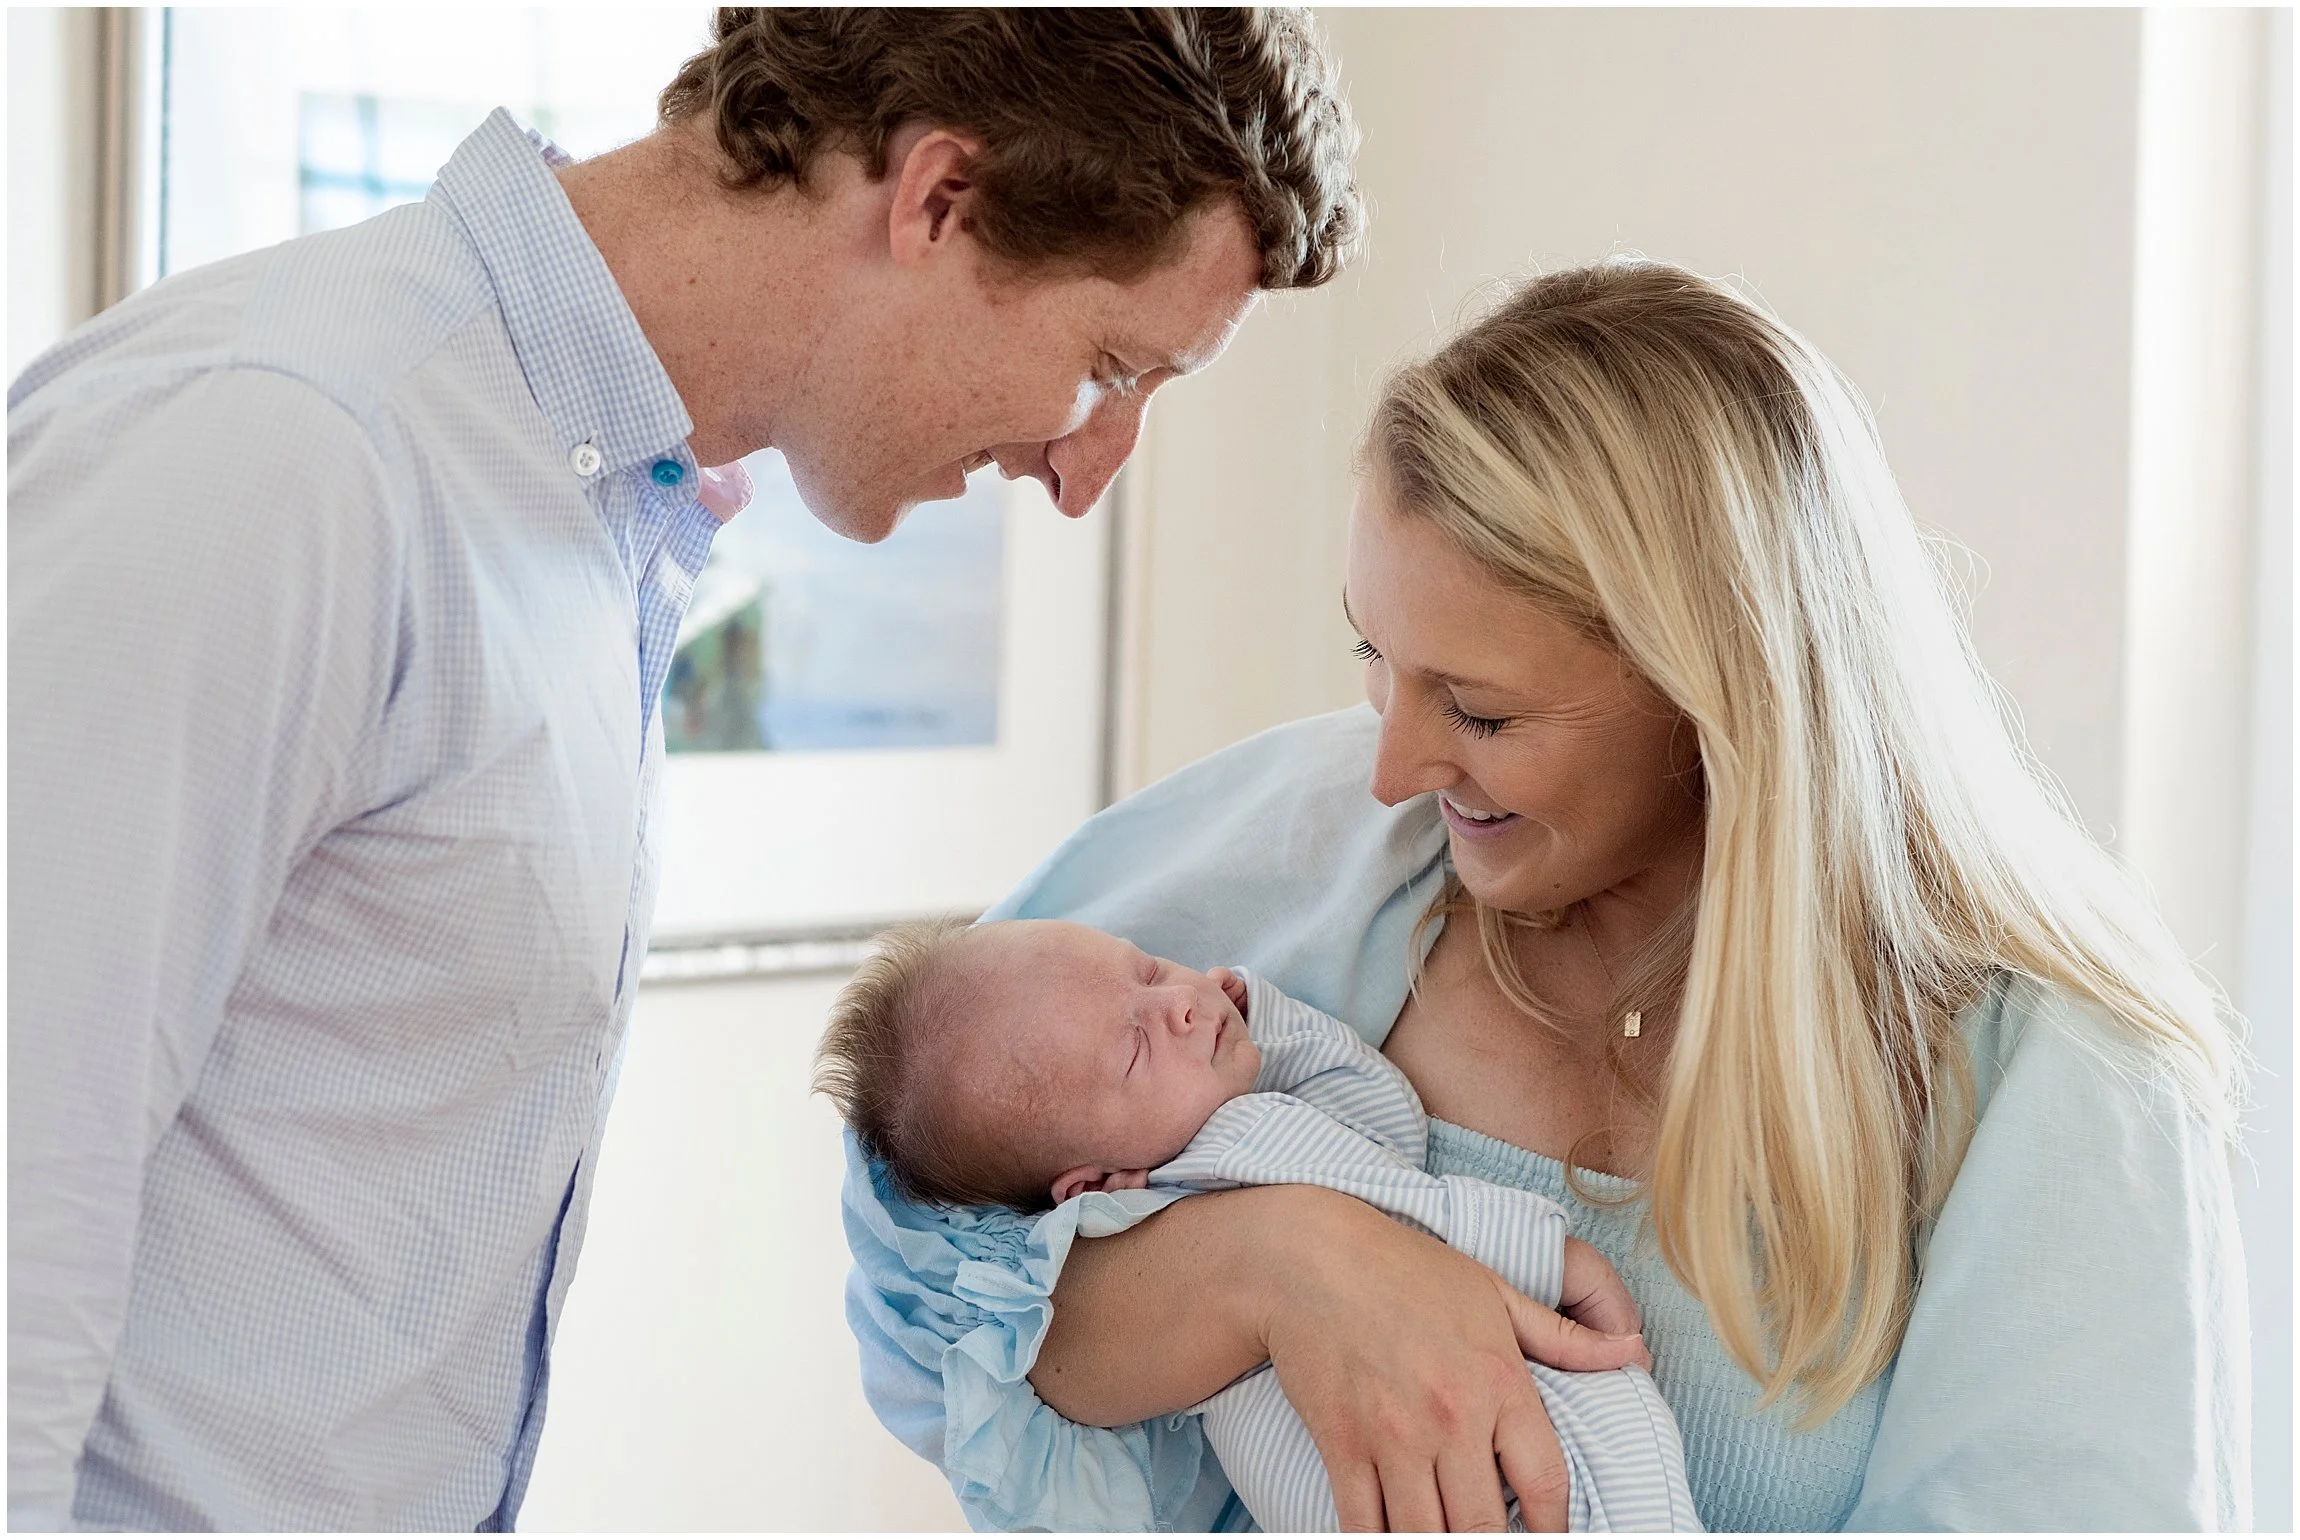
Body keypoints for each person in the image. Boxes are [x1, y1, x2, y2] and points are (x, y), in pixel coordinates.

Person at [7, 9, 1360, 1530]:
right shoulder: (294, 455)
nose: (1084, 469)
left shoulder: (590, 515)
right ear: (935, 200)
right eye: (1111, 365)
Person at [840, 259, 2251, 1531]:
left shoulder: (2052, 1083)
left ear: (1721, 700)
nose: (1392, 764)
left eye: (1483, 710)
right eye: (1374, 662)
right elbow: (924, 1258)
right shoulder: (1310, 856)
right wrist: (1276, 1264)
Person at [817, 917, 1697, 1531]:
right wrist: (1548, 1256)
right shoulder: (1211, 1169)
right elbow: (1415, 1214)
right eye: (1135, 1046)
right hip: (1400, 1464)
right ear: (1093, 1182)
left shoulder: (1238, 1131)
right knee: (1621, 1467)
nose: (1182, 1006)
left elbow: (1381, 1119)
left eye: (1150, 970)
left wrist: (1268, 1023)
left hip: (1396, 1455)